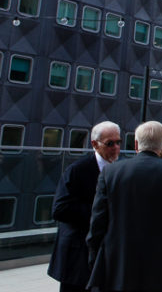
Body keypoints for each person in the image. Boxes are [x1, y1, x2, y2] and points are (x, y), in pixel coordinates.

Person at [86, 121, 162, 292]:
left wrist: (94, 260)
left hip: (117, 262)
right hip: (157, 264)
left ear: (136, 144)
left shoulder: (111, 172)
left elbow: (97, 223)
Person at [48, 121, 120, 292]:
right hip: (78, 252)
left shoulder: (119, 169)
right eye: (110, 143)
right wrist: (100, 214)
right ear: (95, 144)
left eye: (118, 142)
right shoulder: (77, 170)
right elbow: (60, 209)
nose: (116, 148)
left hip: (106, 252)